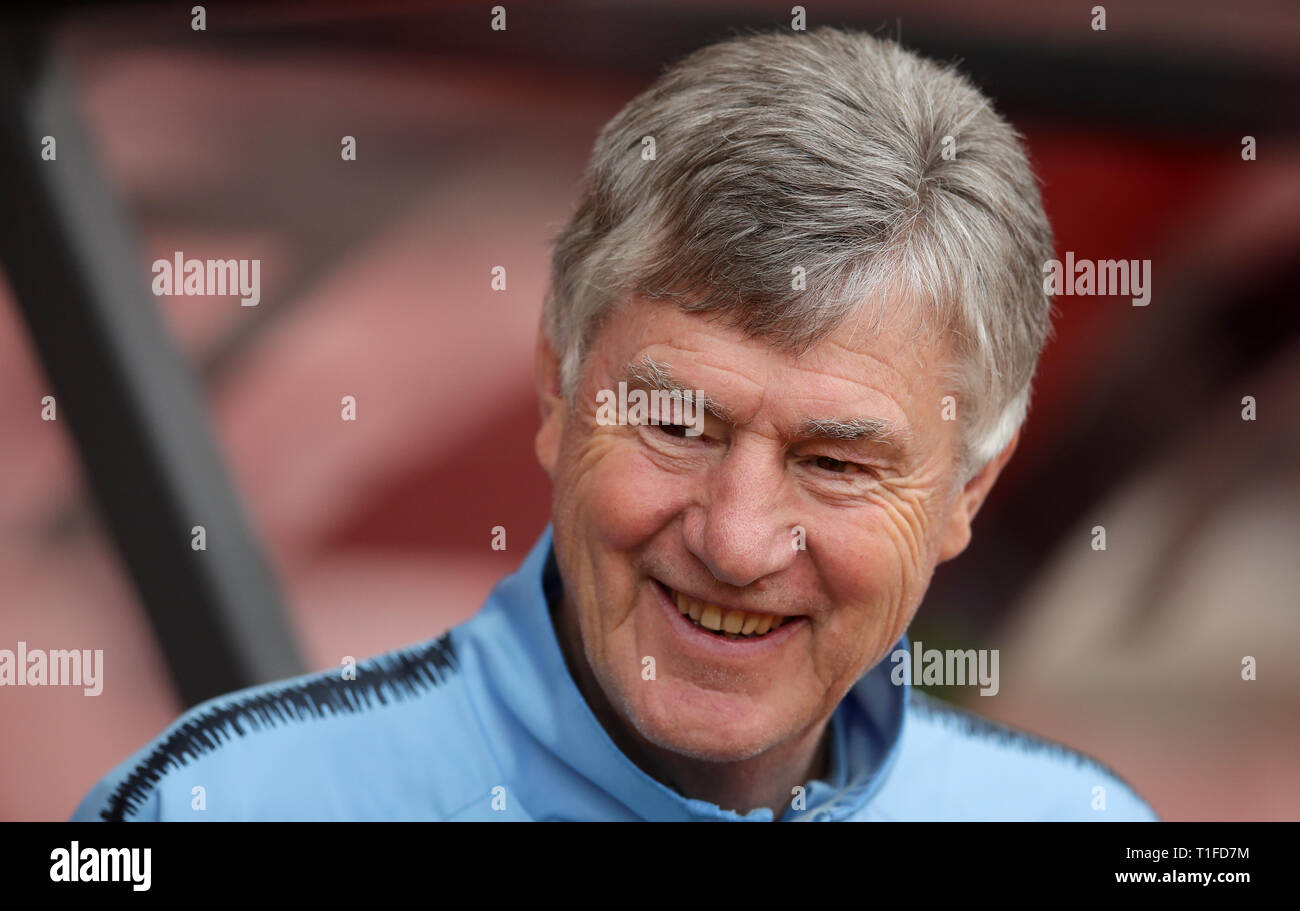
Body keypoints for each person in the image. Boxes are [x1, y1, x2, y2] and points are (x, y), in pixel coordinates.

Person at [72, 26, 1157, 822]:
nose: (735, 540)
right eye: (678, 426)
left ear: (966, 490)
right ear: (557, 390)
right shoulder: (218, 807)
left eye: (833, 462)